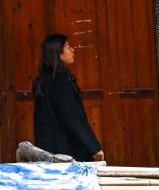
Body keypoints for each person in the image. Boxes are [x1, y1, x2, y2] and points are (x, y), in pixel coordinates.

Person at [33, 33, 105, 162]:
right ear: (58, 54)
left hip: (48, 151)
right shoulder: (59, 81)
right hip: (66, 152)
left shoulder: (43, 81)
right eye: (68, 46)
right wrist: (94, 147)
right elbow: (72, 117)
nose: (72, 50)